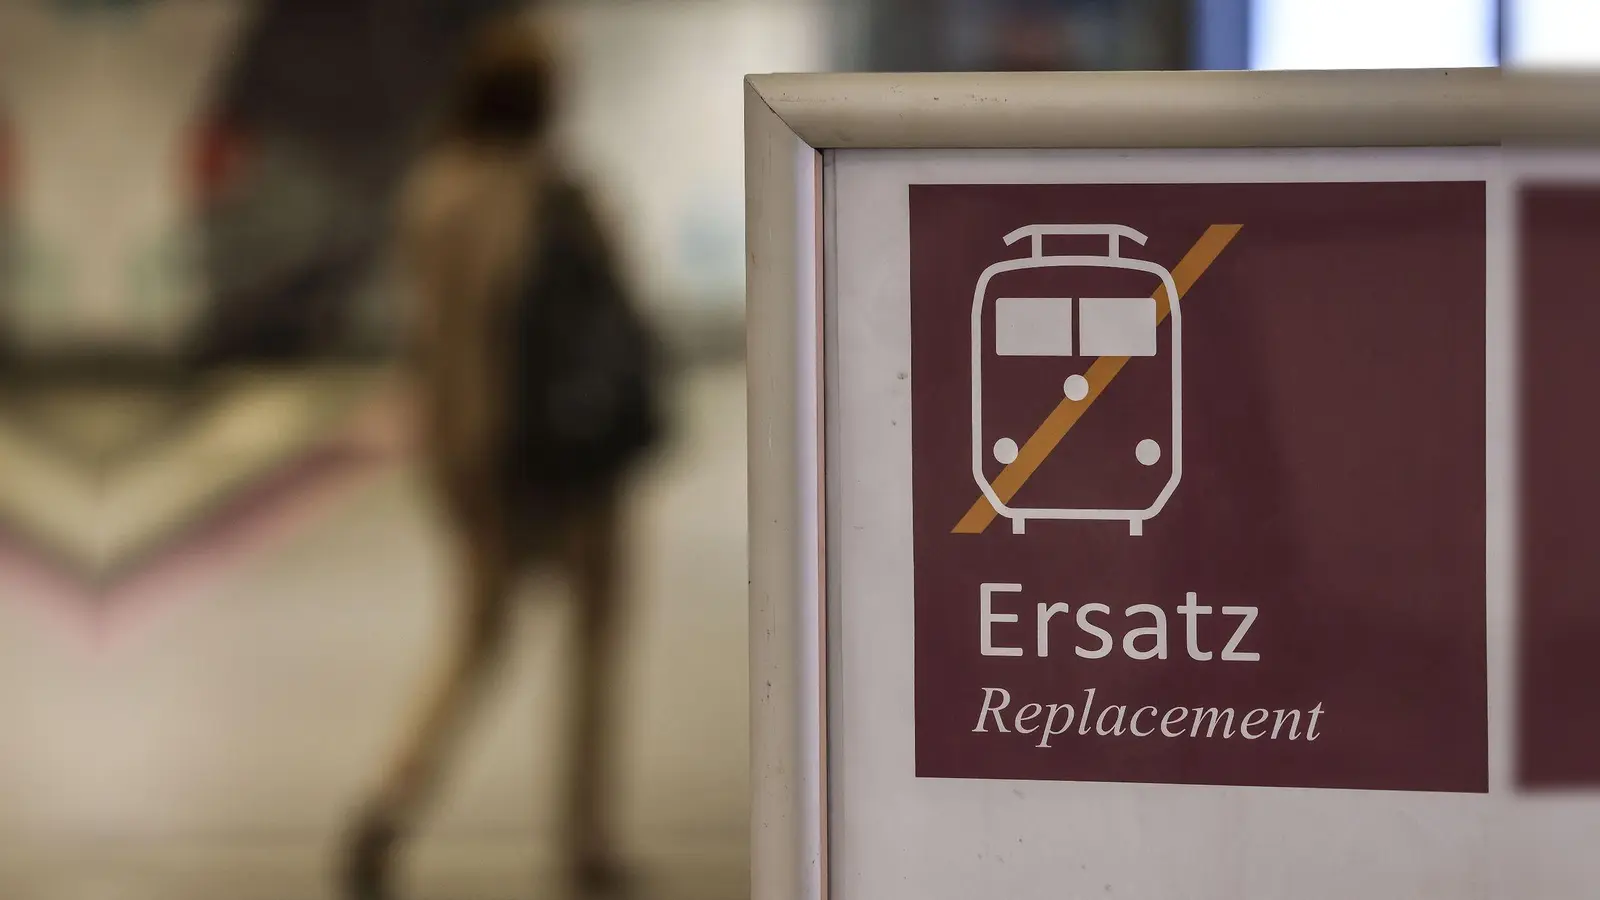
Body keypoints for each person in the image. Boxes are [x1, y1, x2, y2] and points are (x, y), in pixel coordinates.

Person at [342, 13, 661, 899]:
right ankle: (587, 839)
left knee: (477, 639)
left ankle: (389, 799)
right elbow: (621, 323)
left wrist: (451, 468)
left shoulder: (432, 192)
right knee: (597, 641)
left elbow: (429, 345)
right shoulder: (562, 195)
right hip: (578, 462)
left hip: (476, 463)